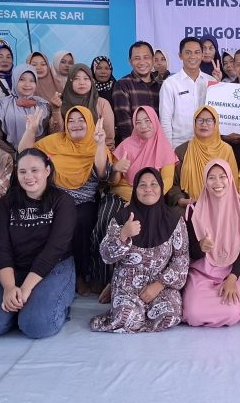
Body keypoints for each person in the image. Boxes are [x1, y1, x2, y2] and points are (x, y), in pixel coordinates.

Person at [0, 148, 77, 339]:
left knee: (36, 325)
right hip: (16, 267)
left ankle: (43, 307)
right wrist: (9, 288)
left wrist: (26, 288)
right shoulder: (6, 204)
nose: (28, 177)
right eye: (22, 171)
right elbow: (1, 248)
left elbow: (55, 249)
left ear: (47, 170)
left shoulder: (63, 201)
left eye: (35, 170)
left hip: (54, 267)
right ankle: (19, 309)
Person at [91, 167, 189, 333]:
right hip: (127, 286)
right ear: (135, 190)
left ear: (161, 188)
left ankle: (140, 317)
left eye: (153, 184)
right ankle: (134, 315)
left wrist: (159, 285)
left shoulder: (174, 220)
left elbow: (181, 259)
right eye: (142, 185)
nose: (148, 189)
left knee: (169, 317)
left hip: (161, 286)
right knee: (125, 319)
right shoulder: (122, 218)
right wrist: (123, 235)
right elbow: (106, 255)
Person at [24, 106, 109, 296]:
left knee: (82, 219)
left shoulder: (96, 142)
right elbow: (26, 155)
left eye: (81, 120)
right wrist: (30, 131)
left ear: (89, 123)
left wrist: (100, 144)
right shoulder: (55, 141)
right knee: (55, 218)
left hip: (85, 200)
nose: (75, 124)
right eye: (71, 120)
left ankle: (84, 274)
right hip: (58, 199)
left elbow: (103, 173)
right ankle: (59, 275)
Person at [96, 107, 178, 289]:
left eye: (147, 121)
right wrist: (116, 168)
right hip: (121, 194)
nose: (143, 126)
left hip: (150, 198)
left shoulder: (164, 148)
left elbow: (166, 182)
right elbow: (114, 181)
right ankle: (106, 280)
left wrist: (142, 200)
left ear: (155, 122)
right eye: (138, 122)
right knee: (107, 217)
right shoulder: (126, 146)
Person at [182, 160, 240, 327]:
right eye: (211, 178)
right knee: (193, 314)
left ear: (230, 178)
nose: (217, 182)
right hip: (202, 272)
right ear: (204, 181)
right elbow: (189, 251)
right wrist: (200, 247)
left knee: (232, 313)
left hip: (232, 271)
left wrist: (232, 278)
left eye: (222, 177)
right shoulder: (194, 210)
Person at [167, 106, 239, 208]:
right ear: (194, 123)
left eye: (209, 120)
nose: (204, 124)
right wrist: (181, 200)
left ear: (216, 124)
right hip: (189, 207)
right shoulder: (182, 150)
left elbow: (233, 182)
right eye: (200, 120)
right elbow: (173, 183)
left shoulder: (226, 150)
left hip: (221, 206)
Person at [160, 37, 214, 148]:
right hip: (179, 146)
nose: (193, 56)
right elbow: (165, 120)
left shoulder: (211, 81)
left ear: (202, 55)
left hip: (207, 145)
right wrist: (169, 150)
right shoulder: (170, 83)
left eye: (197, 52)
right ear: (180, 55)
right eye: (188, 52)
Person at [0, 65, 51, 152]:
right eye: (22, 79)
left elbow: (47, 135)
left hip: (37, 154)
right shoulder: (1, 105)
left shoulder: (43, 105)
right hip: (9, 155)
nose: (27, 84)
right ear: (15, 80)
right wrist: (13, 155)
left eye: (32, 81)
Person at [111, 43, 159, 142]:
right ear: (130, 61)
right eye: (137, 58)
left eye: (146, 57)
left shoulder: (161, 86)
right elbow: (125, 124)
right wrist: (136, 147)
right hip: (135, 146)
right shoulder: (122, 85)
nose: (142, 62)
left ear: (153, 59)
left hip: (158, 145)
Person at [61, 63, 116, 148]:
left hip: (96, 150)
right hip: (66, 151)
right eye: (76, 79)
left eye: (86, 78)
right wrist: (56, 110)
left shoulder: (102, 103)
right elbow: (56, 133)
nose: (82, 83)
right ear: (69, 81)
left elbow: (109, 138)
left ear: (92, 81)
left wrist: (106, 153)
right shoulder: (61, 103)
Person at [26, 51, 64, 130]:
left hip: (57, 130)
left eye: (43, 64)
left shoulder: (59, 85)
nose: (39, 67)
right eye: (34, 65)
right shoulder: (24, 88)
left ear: (48, 66)